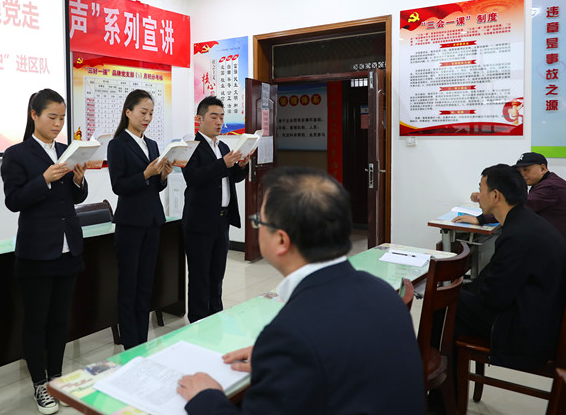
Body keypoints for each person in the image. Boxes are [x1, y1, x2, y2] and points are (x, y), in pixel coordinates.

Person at [176, 167, 425, 414]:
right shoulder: (383, 292)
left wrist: (205, 397)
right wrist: (276, 362)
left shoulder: (290, 336)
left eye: (259, 221)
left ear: (281, 240)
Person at [0, 89, 88, 414]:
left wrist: (78, 181)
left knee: (60, 319)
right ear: (34, 115)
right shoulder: (16, 154)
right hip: (36, 251)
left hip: (68, 248)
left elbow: (75, 198)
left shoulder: (66, 151)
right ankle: (40, 383)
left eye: (62, 118)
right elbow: (13, 201)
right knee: (36, 321)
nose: (58, 124)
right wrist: (44, 179)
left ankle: (57, 378)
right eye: (52, 117)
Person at [454, 164, 566, 369]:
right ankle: (445, 382)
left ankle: (437, 380)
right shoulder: (527, 222)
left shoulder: (517, 235)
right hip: (544, 315)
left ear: (495, 195)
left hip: (531, 332)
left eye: (481, 189)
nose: (479, 196)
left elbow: (495, 298)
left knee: (446, 304)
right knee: (458, 301)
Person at [107, 89, 173, 349]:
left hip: (153, 221)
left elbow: (155, 187)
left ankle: (141, 342)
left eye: (151, 114)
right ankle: (130, 345)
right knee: (129, 285)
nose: (147, 118)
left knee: (146, 284)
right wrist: (145, 174)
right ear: (128, 112)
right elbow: (118, 186)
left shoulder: (152, 144)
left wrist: (162, 176)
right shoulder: (117, 144)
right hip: (130, 224)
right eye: (143, 112)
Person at [182, 96, 248, 323]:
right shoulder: (190, 147)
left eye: (222, 117)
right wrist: (223, 164)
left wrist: (241, 166)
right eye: (214, 117)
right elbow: (193, 177)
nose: (219, 122)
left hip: (222, 221)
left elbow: (232, 177)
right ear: (199, 119)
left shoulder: (223, 146)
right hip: (199, 222)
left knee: (217, 274)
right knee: (200, 276)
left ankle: (215, 318)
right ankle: (198, 322)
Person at [454, 152, 566, 250]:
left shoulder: (550, 187)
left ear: (543, 168)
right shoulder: (547, 183)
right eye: (519, 171)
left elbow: (516, 207)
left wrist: (479, 219)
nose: (522, 175)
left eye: (526, 170)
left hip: (561, 250)